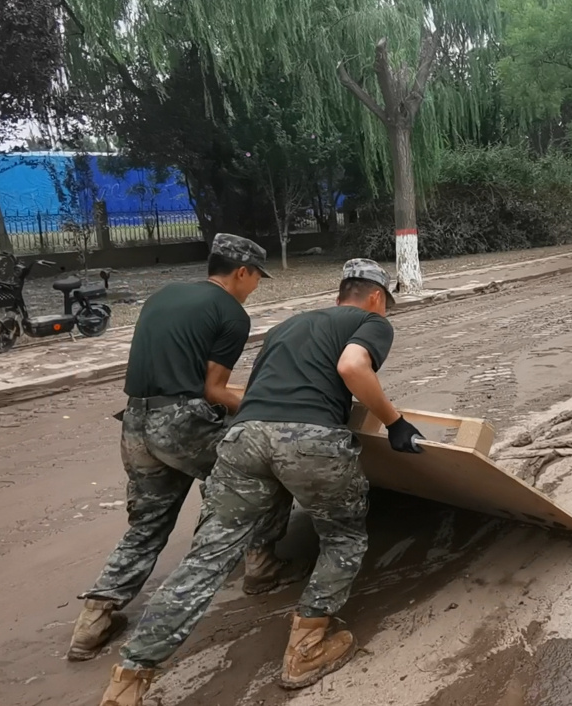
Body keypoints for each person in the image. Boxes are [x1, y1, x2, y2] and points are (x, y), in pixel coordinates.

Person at [98, 259, 426, 706]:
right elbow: (352, 367)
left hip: (244, 439)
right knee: (343, 538)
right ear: (374, 297)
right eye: (385, 303)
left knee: (207, 557)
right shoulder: (370, 321)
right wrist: (396, 422)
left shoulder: (290, 325)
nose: (384, 311)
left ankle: (130, 677)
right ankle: (306, 649)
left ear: (337, 294)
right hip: (310, 440)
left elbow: (256, 388)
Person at [68, 233, 297, 663]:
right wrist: (271, 403)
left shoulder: (163, 295)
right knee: (263, 469)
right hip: (181, 422)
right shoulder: (231, 313)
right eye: (256, 279)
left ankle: (94, 619)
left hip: (135, 422)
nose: (256, 287)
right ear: (241, 272)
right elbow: (214, 391)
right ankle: (261, 564)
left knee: (147, 524)